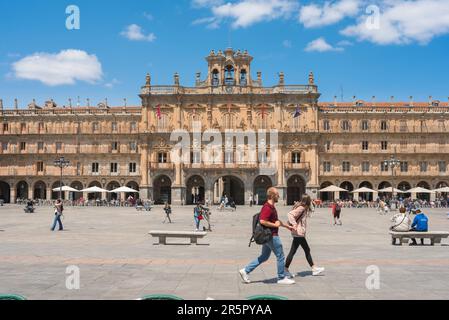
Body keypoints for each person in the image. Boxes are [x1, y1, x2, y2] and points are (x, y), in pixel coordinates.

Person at [239, 187, 296, 285]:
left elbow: (276, 221)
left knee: (264, 256)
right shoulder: (267, 207)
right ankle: (281, 277)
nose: (279, 195)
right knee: (280, 255)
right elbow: (262, 221)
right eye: (277, 194)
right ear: (272, 195)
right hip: (271, 235)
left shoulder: (272, 207)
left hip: (269, 235)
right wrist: (275, 225)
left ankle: (246, 270)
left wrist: (287, 226)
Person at [285, 195, 325, 278]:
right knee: (297, 251)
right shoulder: (301, 208)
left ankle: (313, 268)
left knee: (303, 250)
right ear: (307, 201)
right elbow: (290, 214)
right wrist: (294, 224)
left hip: (298, 233)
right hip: (298, 233)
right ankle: (285, 269)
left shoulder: (303, 207)